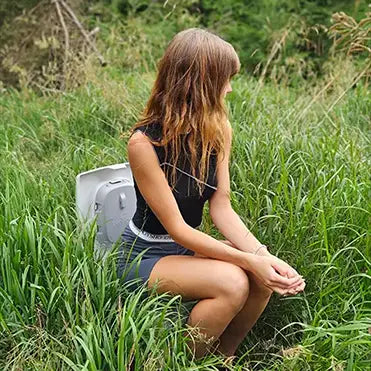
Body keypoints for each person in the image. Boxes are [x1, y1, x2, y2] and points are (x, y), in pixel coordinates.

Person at [117, 28, 305, 361]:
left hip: (187, 247)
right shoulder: (143, 145)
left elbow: (221, 206)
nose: (230, 88)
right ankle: (188, 363)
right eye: (225, 79)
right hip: (145, 255)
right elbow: (178, 229)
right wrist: (249, 260)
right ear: (200, 83)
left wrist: (263, 256)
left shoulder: (218, 129)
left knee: (261, 278)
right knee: (233, 282)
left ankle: (223, 359)